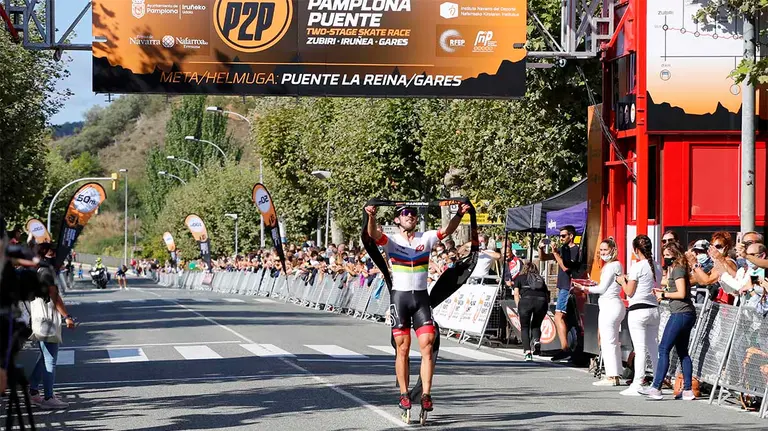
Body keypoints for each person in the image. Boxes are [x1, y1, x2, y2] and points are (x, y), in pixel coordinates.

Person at [365, 203, 469, 419]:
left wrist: (459, 213)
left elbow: (448, 230)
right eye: (405, 214)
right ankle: (404, 393)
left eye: (412, 213)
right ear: (397, 220)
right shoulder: (391, 240)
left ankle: (426, 394)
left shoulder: (427, 237)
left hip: (421, 298)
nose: (410, 216)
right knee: (403, 348)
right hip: (400, 298)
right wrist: (371, 216)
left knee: (428, 345)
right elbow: (372, 234)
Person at [641, 241, 697, 400]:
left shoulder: (678, 269)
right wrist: (662, 290)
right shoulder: (676, 268)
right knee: (682, 351)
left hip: (681, 313)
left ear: (676, 255)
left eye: (668, 256)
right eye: (664, 255)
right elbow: (673, 287)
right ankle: (687, 390)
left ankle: (656, 387)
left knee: (664, 348)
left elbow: (681, 293)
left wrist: (663, 295)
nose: (665, 259)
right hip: (685, 313)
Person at [28, 244, 76, 409]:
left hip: (39, 318)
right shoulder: (46, 272)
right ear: (46, 255)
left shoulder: (35, 272)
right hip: (47, 320)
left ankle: (33, 391)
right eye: (52, 254)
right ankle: (48, 398)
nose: (56, 257)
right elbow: (54, 296)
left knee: (44, 357)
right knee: (50, 359)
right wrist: (67, 316)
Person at [575, 237, 625, 386]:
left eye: (605, 250)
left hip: (609, 305)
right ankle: (615, 374)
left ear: (612, 250)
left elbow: (602, 289)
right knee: (613, 341)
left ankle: (611, 376)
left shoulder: (610, 267)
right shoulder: (617, 265)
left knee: (608, 341)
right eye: (601, 250)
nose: (602, 253)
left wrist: (584, 288)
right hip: (615, 304)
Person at [616, 234, 662, 396]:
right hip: (654, 309)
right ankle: (657, 381)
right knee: (653, 347)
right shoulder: (657, 266)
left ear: (636, 250)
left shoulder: (637, 266)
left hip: (638, 310)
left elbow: (629, 291)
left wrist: (622, 281)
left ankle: (637, 383)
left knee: (640, 349)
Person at [538, 225, 581, 362]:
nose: (561, 238)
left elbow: (566, 268)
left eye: (563, 236)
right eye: (559, 236)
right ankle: (567, 347)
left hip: (568, 286)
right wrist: (540, 248)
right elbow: (543, 258)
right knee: (564, 318)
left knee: (558, 316)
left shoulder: (575, 250)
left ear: (571, 236)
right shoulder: (563, 249)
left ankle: (565, 348)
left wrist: (556, 254)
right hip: (562, 286)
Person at [513, 261, 549, 361]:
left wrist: (518, 307)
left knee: (525, 327)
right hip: (541, 302)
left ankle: (528, 353)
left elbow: (516, 294)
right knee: (536, 324)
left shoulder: (519, 278)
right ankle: (537, 341)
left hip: (526, 301)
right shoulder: (540, 278)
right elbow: (547, 294)